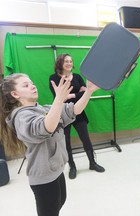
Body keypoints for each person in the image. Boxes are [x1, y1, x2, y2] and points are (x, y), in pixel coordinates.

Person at [0, 73, 100, 216]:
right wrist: (58, 100)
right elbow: (45, 127)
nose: (32, 86)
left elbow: (73, 110)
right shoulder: (21, 117)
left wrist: (88, 91)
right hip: (43, 177)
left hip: (56, 170)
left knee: (60, 202)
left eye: (32, 82)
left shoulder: (43, 109)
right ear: (15, 94)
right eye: (26, 85)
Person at [49, 53, 105, 179]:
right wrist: (76, 94)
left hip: (78, 112)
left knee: (86, 139)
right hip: (63, 114)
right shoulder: (53, 78)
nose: (69, 63)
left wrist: (71, 96)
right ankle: (72, 166)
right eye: (66, 61)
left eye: (70, 61)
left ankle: (92, 162)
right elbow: (59, 98)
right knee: (66, 142)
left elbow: (86, 92)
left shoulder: (78, 77)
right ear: (60, 63)